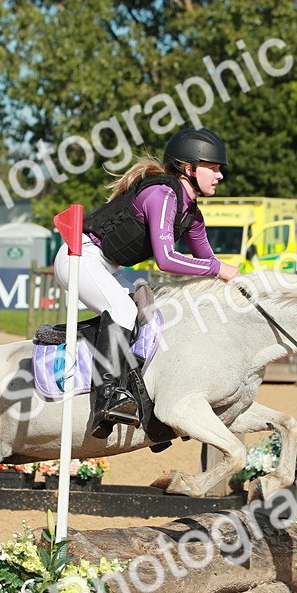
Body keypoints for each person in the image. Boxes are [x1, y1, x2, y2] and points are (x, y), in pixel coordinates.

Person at [51, 127, 239, 437]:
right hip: (79, 257)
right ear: (189, 169)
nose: (219, 176)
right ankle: (106, 400)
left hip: (106, 265)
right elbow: (167, 260)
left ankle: (144, 398)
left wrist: (235, 284)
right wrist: (219, 269)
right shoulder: (162, 195)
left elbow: (207, 263)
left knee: (156, 313)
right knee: (124, 312)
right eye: (214, 168)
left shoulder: (191, 214)